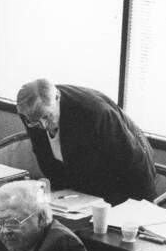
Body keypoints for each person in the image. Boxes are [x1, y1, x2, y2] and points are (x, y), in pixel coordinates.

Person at [15, 80, 157, 205]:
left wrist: (144, 208)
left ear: (57, 98)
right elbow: (45, 155)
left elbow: (132, 162)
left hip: (123, 178)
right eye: (34, 121)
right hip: (79, 189)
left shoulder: (95, 113)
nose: (43, 125)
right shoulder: (31, 111)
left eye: (47, 116)